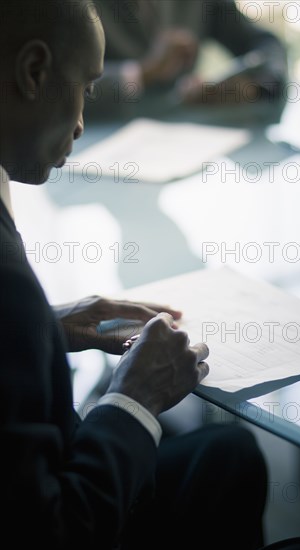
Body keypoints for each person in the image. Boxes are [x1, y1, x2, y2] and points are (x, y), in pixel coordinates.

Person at [0, 1, 267, 548]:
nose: (79, 121)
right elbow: (49, 534)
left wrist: (47, 329)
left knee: (224, 452)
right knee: (229, 455)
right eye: (86, 88)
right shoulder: (9, 288)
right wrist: (133, 398)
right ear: (32, 72)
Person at [89, 0, 287, 115]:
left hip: (189, 142)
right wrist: (142, 73)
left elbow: (266, 44)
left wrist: (254, 86)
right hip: (99, 149)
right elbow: (62, 88)